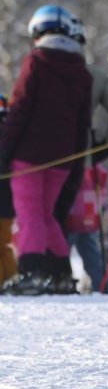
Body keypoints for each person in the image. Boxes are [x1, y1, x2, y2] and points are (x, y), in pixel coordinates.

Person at [0, 6, 93, 295]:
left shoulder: (36, 62)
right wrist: (76, 166)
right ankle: (61, 274)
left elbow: (20, 110)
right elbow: (83, 124)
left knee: (29, 214)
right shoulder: (82, 73)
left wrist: (4, 152)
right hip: (64, 159)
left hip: (28, 155)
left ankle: (33, 273)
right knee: (48, 215)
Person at [61, 15, 108, 294]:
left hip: (48, 164)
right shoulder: (94, 77)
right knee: (86, 231)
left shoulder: (46, 73)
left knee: (63, 230)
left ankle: (58, 283)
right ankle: (105, 289)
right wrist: (105, 145)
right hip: (85, 163)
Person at [0, 93, 14, 284]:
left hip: (4, 203)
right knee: (3, 246)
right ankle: (9, 279)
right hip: (7, 204)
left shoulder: (9, 139)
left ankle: (8, 280)